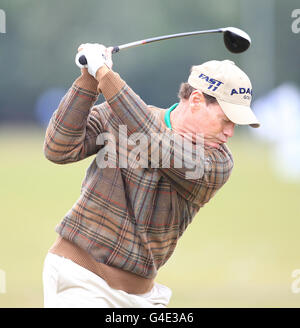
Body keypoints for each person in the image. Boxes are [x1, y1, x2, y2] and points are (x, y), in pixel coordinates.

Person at [42, 43, 260, 308]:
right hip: (78, 277)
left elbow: (155, 143)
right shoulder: (120, 117)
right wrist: (89, 78)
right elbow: (59, 148)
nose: (230, 133)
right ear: (196, 101)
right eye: (226, 120)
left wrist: (106, 75)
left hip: (142, 297)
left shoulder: (218, 162)